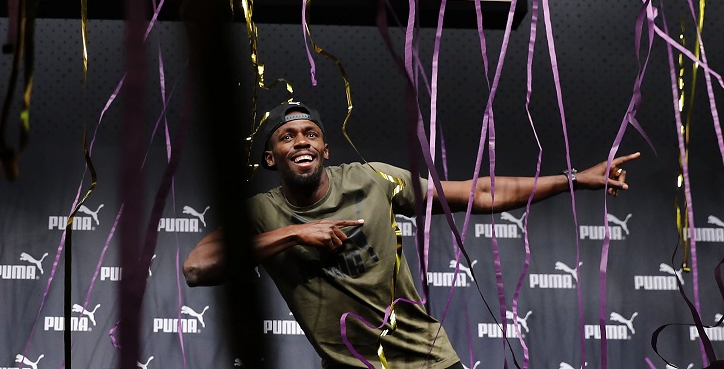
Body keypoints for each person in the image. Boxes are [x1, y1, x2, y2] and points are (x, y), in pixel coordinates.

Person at [183, 101, 639, 368]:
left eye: (310, 133)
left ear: (325, 148)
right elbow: (197, 267)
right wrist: (295, 234)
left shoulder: (371, 179)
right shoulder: (262, 212)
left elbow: (479, 193)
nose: (300, 141)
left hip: (427, 360)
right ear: (270, 158)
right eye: (286, 137)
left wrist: (574, 179)